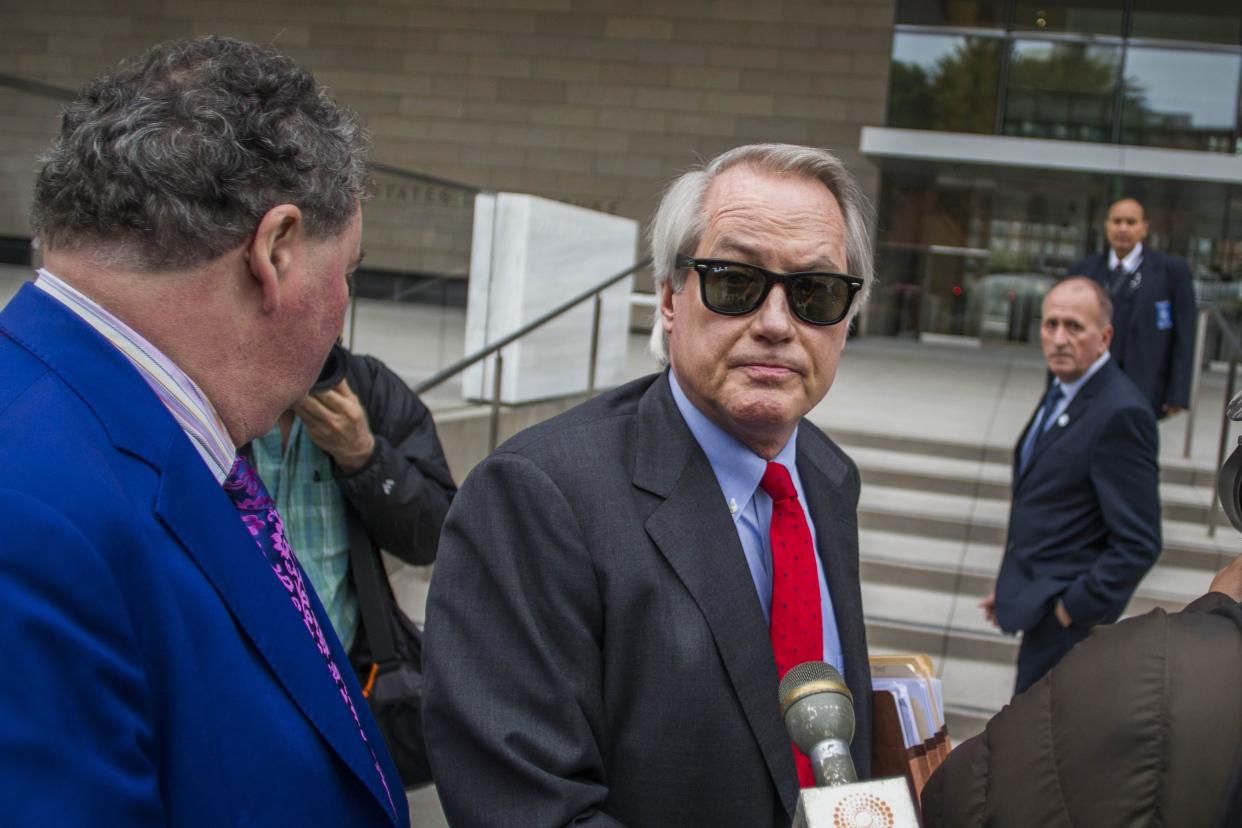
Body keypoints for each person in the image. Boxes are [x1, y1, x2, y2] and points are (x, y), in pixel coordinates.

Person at [0, 37, 406, 826]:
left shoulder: (124, 432)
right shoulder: (30, 516)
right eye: (347, 269)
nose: (345, 303)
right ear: (276, 249)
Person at [423, 143, 875, 826]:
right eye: (735, 281)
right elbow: (528, 808)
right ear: (669, 298)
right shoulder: (536, 496)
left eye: (814, 293)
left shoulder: (828, 477)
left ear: (844, 321)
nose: (778, 324)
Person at [983, 277, 1161, 694]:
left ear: (1105, 337)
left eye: (1074, 327)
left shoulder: (1121, 413)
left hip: (1067, 631)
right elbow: (1054, 505)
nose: (1059, 339)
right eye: (1050, 325)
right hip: (1040, 606)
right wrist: (1016, 586)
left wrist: (1070, 610)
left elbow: (1139, 542)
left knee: (1035, 750)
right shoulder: (1064, 389)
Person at [1068, 197, 1197, 418]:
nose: (1123, 228)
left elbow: (1184, 337)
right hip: (1089, 383)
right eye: (1117, 221)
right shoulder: (1083, 270)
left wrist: (1177, 393)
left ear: (1144, 228)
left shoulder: (1170, 272)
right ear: (1107, 225)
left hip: (1143, 386)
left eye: (1131, 222)